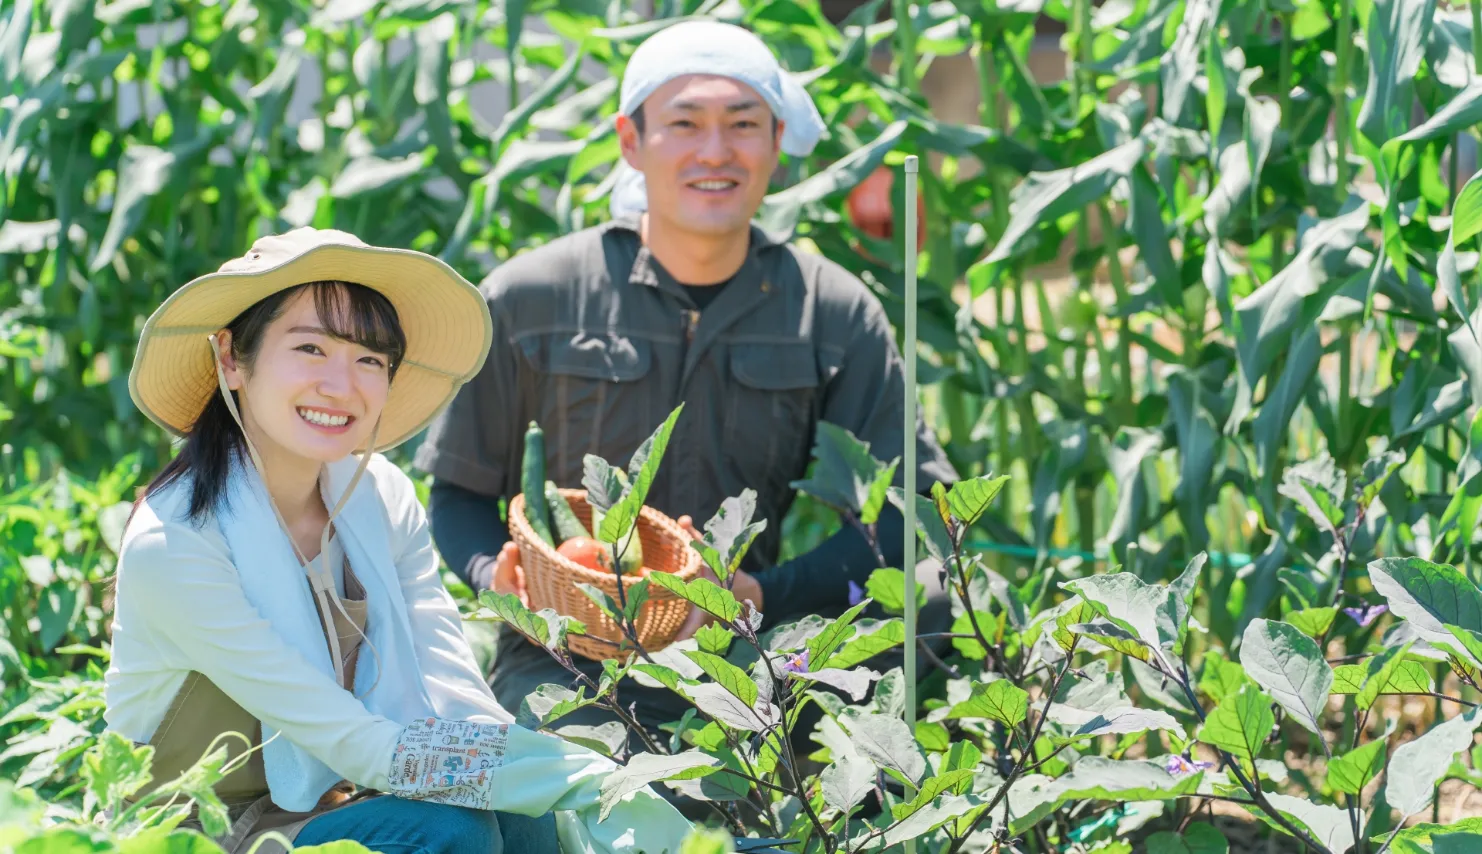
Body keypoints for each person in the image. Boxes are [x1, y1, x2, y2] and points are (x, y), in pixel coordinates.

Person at [414, 20, 959, 759]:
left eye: (742, 126)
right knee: (592, 812)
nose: (715, 151)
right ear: (631, 142)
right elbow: (456, 493)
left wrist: (766, 595)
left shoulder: (828, 310)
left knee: (927, 598)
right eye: (684, 123)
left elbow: (916, 508)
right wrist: (501, 579)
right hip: (572, 659)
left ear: (774, 145)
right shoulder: (534, 297)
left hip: (745, 651)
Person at [102, 227, 696, 854]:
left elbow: (451, 694)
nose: (342, 385)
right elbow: (352, 741)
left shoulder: (381, 500)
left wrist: (554, 778)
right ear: (231, 359)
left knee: (525, 813)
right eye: (310, 348)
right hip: (194, 832)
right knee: (454, 826)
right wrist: (563, 772)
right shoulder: (178, 542)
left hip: (327, 807)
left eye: (369, 360)